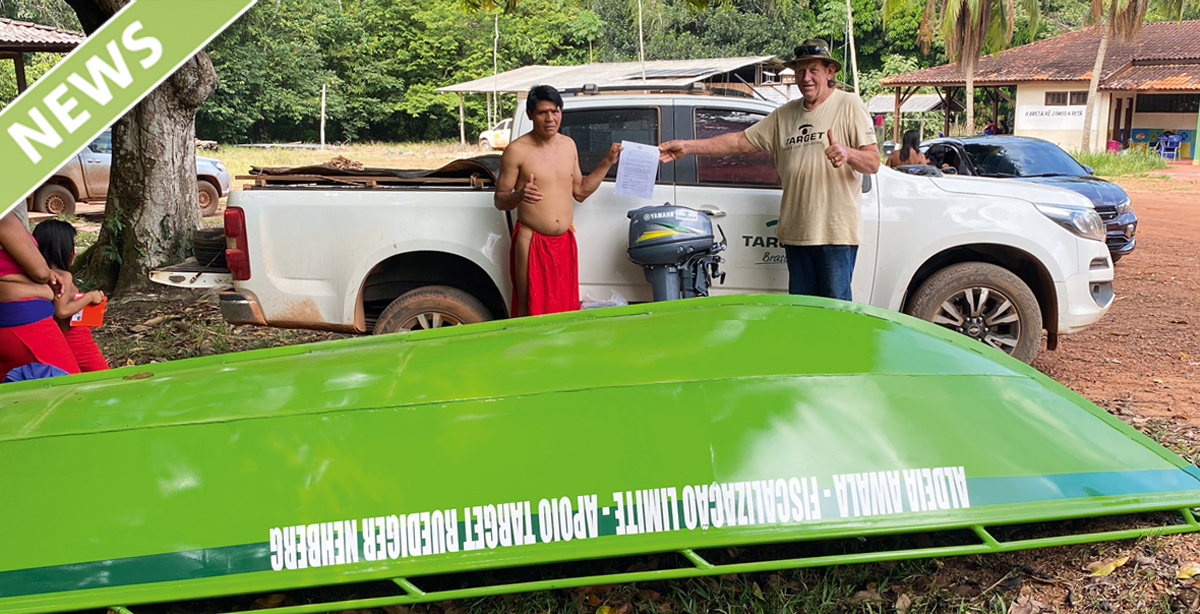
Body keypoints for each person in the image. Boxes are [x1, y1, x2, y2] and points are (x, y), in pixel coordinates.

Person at [658, 39, 879, 301]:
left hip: (835, 234)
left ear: (829, 72)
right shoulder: (784, 114)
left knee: (836, 312)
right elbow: (739, 141)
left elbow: (873, 162)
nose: (805, 78)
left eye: (813, 70)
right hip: (797, 234)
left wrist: (848, 153)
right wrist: (687, 146)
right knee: (801, 312)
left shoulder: (849, 104)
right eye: (800, 71)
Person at [495, 85, 621, 316]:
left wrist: (607, 162)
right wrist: (519, 195)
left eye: (555, 112)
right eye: (543, 112)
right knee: (529, 307)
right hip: (532, 241)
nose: (550, 119)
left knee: (565, 305)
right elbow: (500, 200)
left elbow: (580, 192)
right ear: (531, 114)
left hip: (564, 242)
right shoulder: (517, 150)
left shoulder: (568, 145)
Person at [0, 211, 79, 379]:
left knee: (13, 395)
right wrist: (47, 281)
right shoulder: (4, 219)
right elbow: (40, 272)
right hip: (23, 318)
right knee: (68, 385)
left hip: (8, 323)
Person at [33, 220, 108, 372]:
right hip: (75, 338)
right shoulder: (63, 276)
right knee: (103, 376)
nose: (74, 252)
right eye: (72, 245)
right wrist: (89, 297)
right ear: (62, 248)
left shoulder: (42, 277)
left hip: (60, 337)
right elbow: (62, 311)